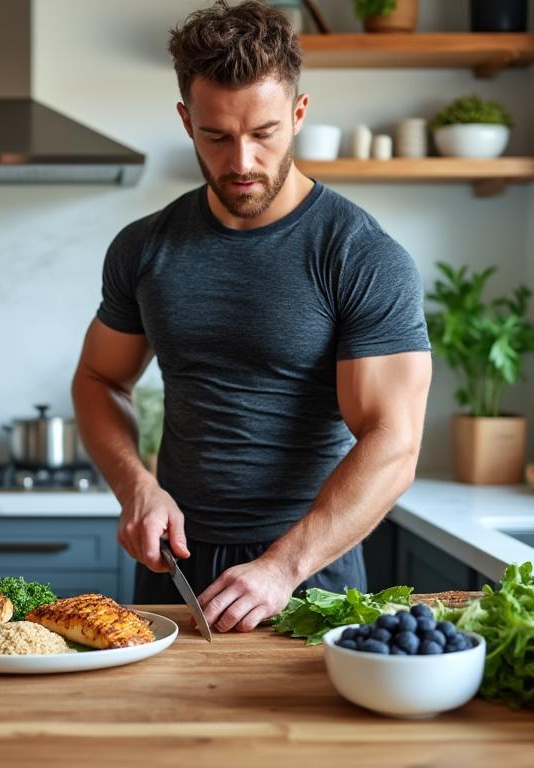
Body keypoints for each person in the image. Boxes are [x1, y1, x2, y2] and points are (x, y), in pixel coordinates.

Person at [70, 0, 432, 633]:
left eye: (264, 133)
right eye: (217, 136)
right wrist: (137, 487)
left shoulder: (360, 255)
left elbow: (393, 442)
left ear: (298, 114)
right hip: (175, 565)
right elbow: (99, 380)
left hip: (309, 571)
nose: (241, 162)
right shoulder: (144, 248)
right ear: (186, 122)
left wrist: (282, 567)